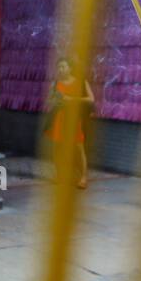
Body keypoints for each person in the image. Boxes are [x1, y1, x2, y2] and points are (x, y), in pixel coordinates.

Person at [45, 57, 94, 189]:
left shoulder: (80, 82)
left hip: (73, 119)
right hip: (59, 118)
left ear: (70, 68)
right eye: (59, 67)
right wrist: (55, 100)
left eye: (63, 67)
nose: (60, 70)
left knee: (79, 148)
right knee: (57, 148)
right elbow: (49, 101)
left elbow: (91, 99)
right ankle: (59, 175)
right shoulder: (56, 83)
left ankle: (83, 177)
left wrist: (72, 99)